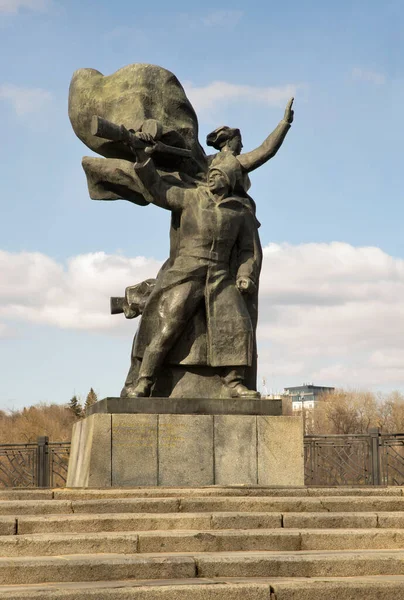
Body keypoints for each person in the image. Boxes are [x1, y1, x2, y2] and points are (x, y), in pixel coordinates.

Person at [126, 145, 262, 398]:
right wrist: (144, 160)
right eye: (211, 173)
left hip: (220, 275)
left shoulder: (240, 212)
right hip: (187, 270)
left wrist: (245, 275)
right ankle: (145, 381)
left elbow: (248, 250)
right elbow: (158, 189)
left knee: (237, 323)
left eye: (219, 174)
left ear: (230, 179)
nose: (212, 176)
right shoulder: (191, 198)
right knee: (168, 325)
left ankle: (233, 382)